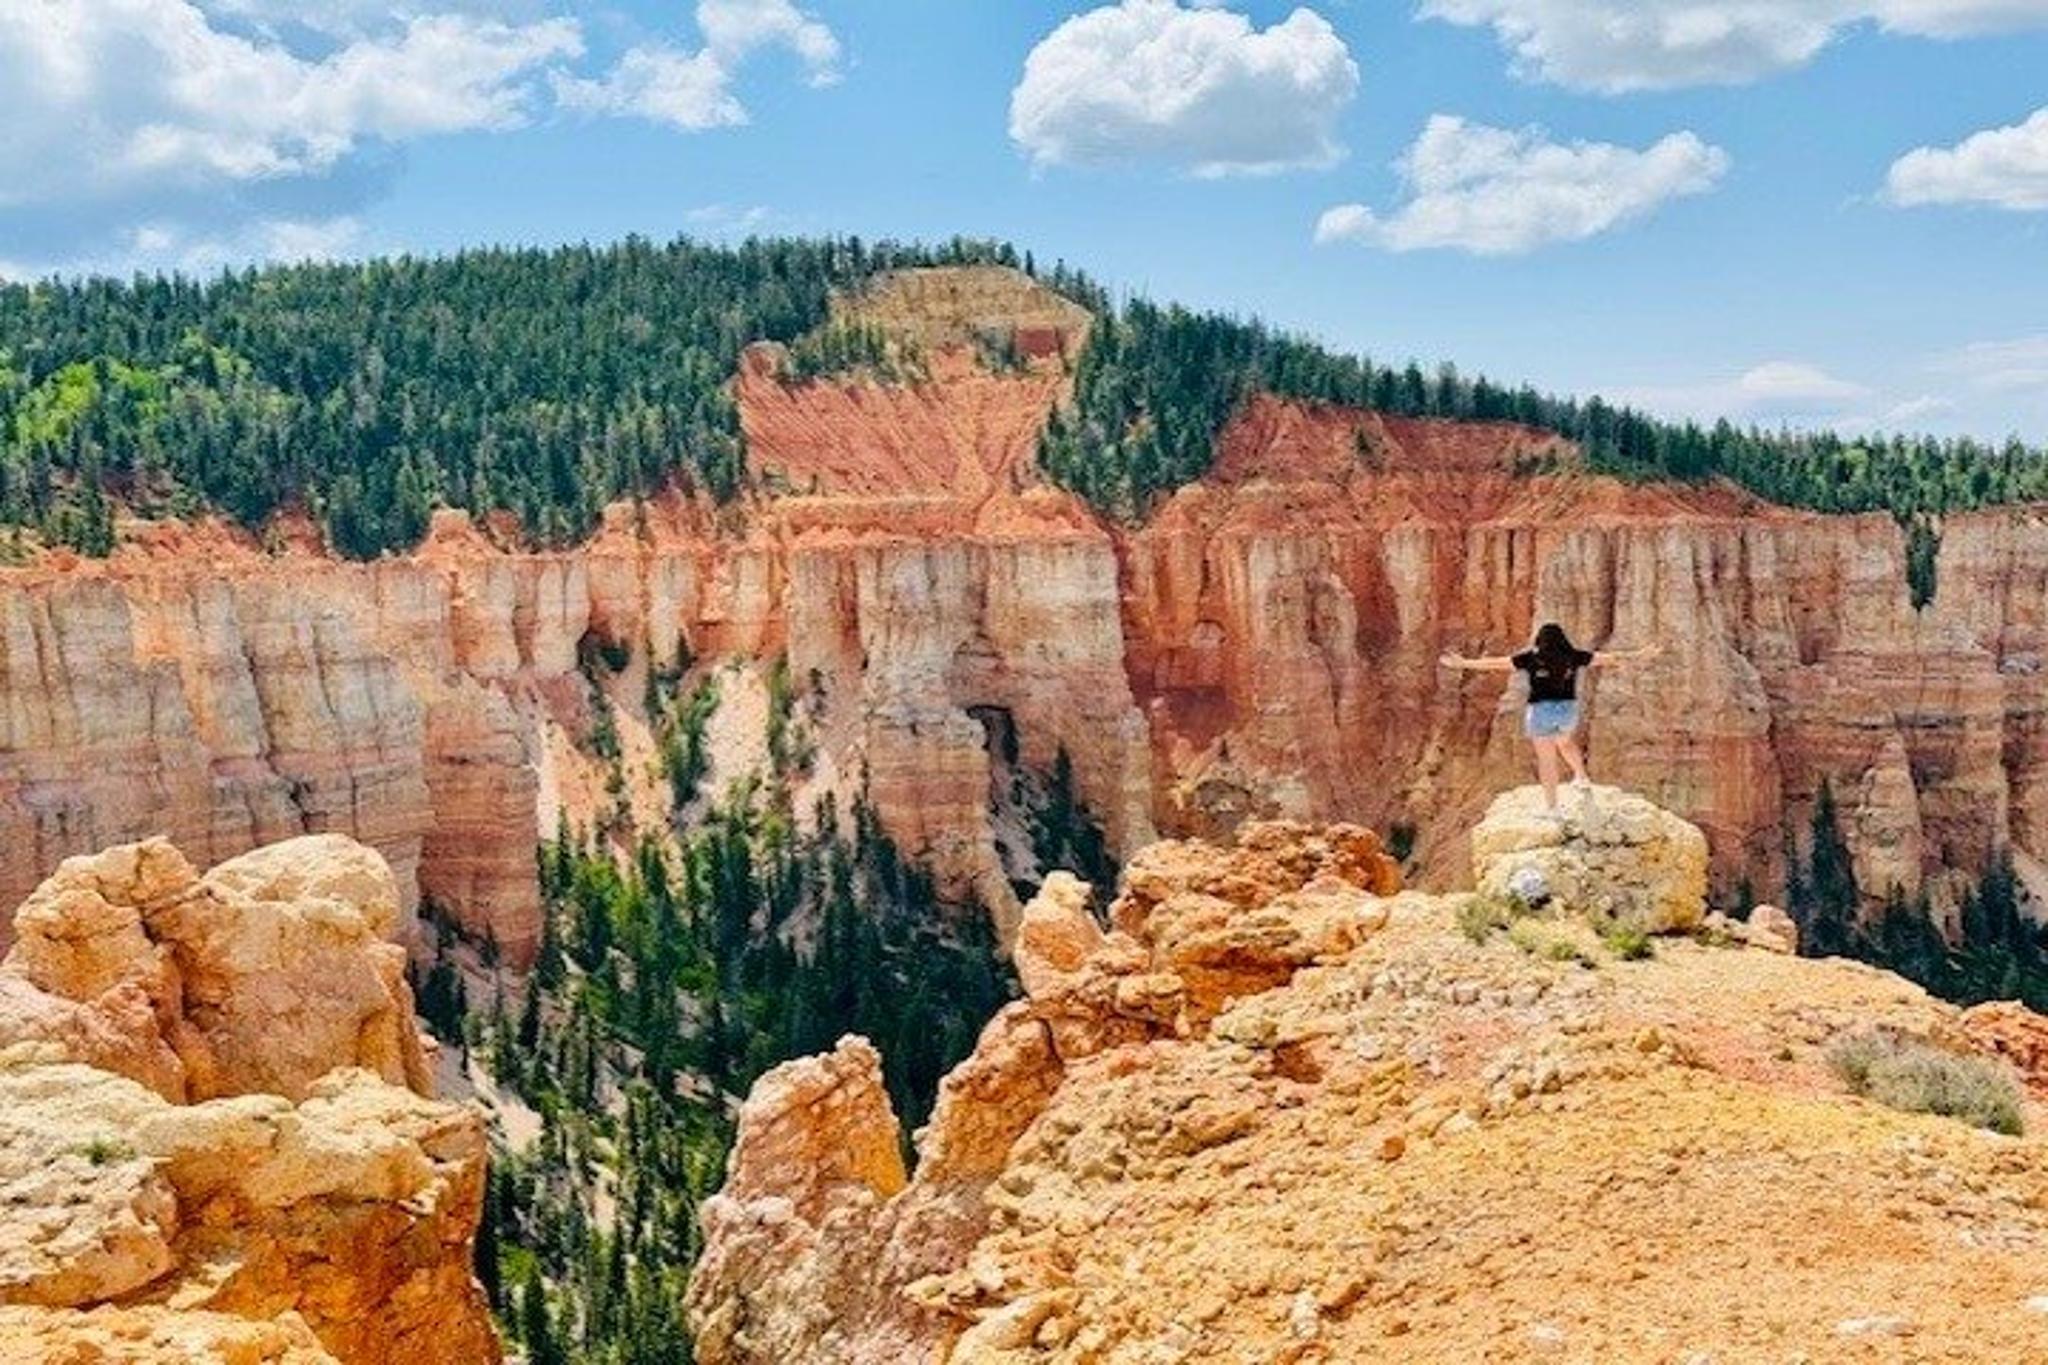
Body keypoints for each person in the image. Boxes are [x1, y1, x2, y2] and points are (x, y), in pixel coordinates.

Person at [1438, 622, 1660, 818]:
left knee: (1547, 760)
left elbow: (1495, 663)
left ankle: (1552, 808)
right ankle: (1582, 777)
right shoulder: (1574, 656)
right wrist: (1642, 654)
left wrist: (1463, 663)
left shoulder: (1532, 658)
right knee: (1564, 743)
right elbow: (1612, 659)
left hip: (1540, 711)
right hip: (1567, 710)